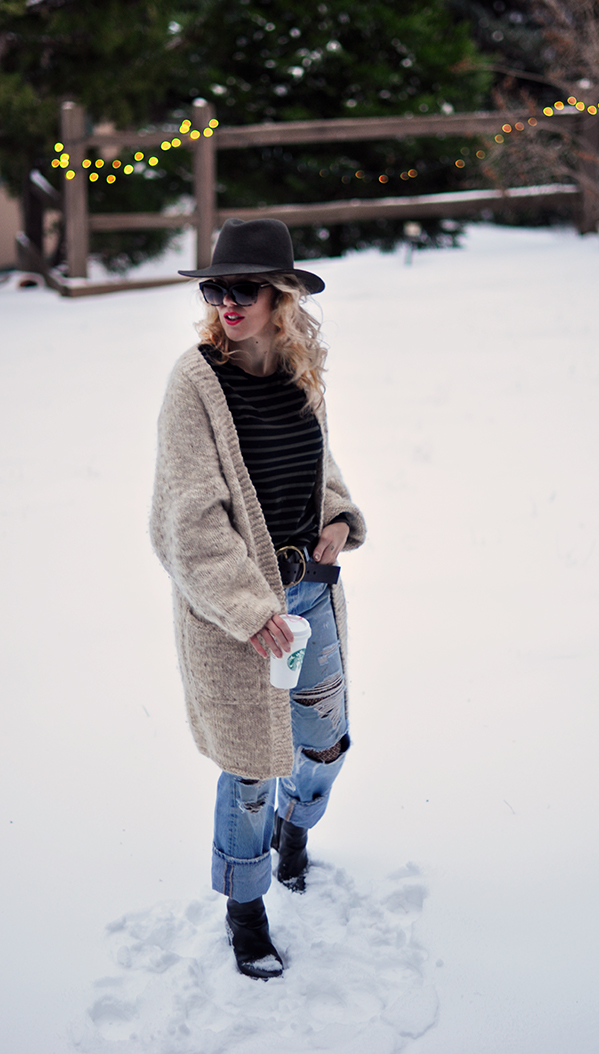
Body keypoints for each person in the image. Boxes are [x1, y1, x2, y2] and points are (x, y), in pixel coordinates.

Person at [150, 218, 366, 980]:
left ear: (281, 296)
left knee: (325, 744)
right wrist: (250, 611)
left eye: (243, 288)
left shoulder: (300, 367)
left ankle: (297, 828)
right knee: (249, 771)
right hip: (237, 618)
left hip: (311, 593)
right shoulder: (196, 380)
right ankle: (246, 908)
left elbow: (319, 461)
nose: (226, 302)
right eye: (215, 289)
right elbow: (185, 520)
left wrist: (337, 517)